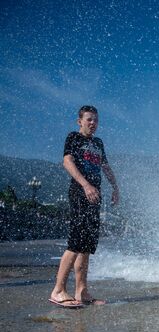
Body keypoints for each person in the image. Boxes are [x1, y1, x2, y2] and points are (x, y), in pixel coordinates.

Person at [48, 105, 119, 308]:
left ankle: (82, 292)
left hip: (95, 195)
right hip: (81, 192)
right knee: (76, 241)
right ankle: (58, 290)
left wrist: (115, 187)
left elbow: (105, 166)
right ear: (79, 121)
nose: (93, 123)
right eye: (88, 119)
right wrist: (85, 184)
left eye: (95, 120)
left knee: (86, 245)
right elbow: (67, 162)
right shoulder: (74, 138)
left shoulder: (98, 143)